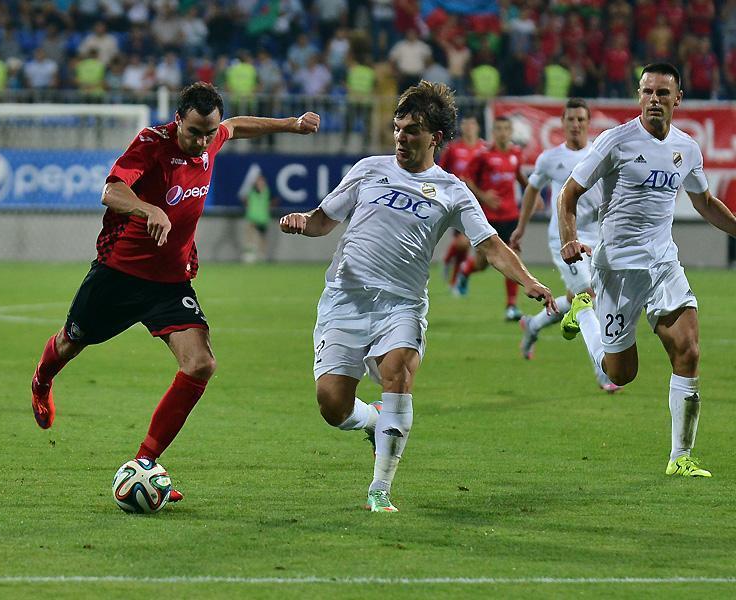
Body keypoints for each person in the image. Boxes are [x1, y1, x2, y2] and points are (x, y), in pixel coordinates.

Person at [30, 82, 321, 501]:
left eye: (209, 133)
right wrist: (149, 209)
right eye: (194, 132)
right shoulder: (151, 143)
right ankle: (42, 380)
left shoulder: (212, 137)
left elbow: (237, 126)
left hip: (169, 282)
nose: (202, 142)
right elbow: (110, 191)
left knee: (201, 364)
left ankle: (143, 465)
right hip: (119, 274)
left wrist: (290, 124)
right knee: (69, 342)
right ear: (178, 119)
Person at [279, 81, 557, 512]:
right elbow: (323, 220)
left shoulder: (452, 190)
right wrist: (302, 220)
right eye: (397, 128)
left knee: (398, 371)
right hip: (345, 299)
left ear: (435, 137)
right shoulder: (369, 169)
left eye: (412, 130)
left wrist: (529, 281)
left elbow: (490, 245)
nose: (401, 138)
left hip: (402, 305)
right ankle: (372, 420)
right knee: (332, 405)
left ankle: (380, 490)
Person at [557, 63, 736, 478]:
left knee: (689, 351)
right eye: (647, 92)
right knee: (621, 374)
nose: (654, 99)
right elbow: (569, 193)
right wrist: (569, 238)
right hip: (618, 270)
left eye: (662, 93)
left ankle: (680, 457)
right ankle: (585, 312)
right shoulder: (615, 141)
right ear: (639, 96)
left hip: (663, 264)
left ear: (678, 99)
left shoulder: (687, 148)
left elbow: (705, 203)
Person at [509, 98, 620, 393]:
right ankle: (603, 371)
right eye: (570, 119)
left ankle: (533, 325)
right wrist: (521, 227)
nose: (575, 124)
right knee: (586, 297)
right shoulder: (550, 158)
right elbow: (532, 189)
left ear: (588, 123)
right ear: (563, 123)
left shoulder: (600, 154)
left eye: (581, 119)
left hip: (597, 237)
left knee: (579, 297)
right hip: (564, 238)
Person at [456, 116, 529, 321]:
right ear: (493, 132)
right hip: (488, 217)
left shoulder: (516, 154)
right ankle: (466, 270)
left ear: (511, 131)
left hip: (511, 215)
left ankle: (511, 306)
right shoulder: (483, 155)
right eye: (498, 129)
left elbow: (518, 175)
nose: (502, 133)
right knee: (482, 263)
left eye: (506, 128)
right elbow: (466, 178)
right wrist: (483, 196)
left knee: (513, 257)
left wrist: (531, 191)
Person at [437, 114, 486, 289]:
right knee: (463, 243)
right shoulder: (453, 148)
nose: (469, 127)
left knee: (466, 245)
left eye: (472, 124)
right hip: (456, 200)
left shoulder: (484, 149)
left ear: (477, 127)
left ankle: (453, 275)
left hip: (477, 201)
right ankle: (453, 275)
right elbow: (440, 171)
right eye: (465, 124)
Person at [240, 172, 276, 262]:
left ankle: (262, 255)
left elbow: (275, 200)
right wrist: (248, 205)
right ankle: (249, 255)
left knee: (262, 238)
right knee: (250, 237)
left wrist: (269, 207)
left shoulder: (267, 192)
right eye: (259, 181)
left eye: (261, 181)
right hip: (253, 217)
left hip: (263, 218)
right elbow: (244, 198)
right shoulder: (252, 191)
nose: (260, 183)